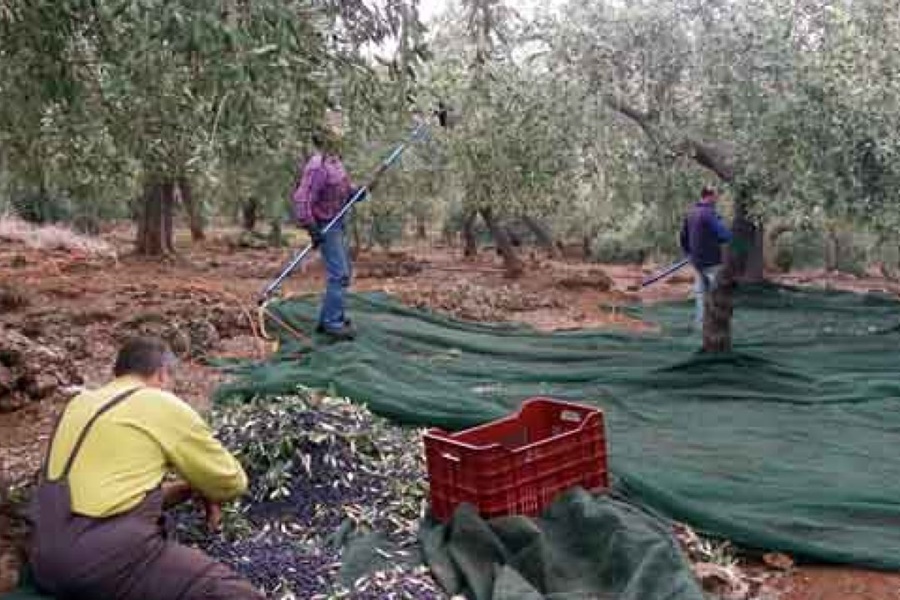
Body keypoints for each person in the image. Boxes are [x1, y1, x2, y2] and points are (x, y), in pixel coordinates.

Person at [28, 337, 263, 600]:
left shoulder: (78, 404)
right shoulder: (159, 403)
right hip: (103, 563)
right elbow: (230, 482)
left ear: (116, 374)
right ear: (162, 374)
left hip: (44, 557)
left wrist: (186, 490)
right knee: (233, 593)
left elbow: (108, 497)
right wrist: (207, 485)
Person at [293, 128, 367, 341]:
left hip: (338, 222)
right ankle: (331, 323)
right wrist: (311, 227)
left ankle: (333, 317)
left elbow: (342, 190)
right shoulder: (317, 167)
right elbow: (302, 198)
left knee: (345, 271)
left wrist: (356, 192)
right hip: (326, 225)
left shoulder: (335, 162)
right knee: (339, 273)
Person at [680, 186, 733, 324]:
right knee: (717, 295)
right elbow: (725, 235)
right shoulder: (709, 213)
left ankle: (700, 325)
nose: (717, 199)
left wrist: (688, 254)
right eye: (716, 196)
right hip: (712, 262)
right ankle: (716, 326)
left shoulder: (690, 213)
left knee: (701, 296)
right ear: (709, 196)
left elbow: (683, 237)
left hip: (697, 262)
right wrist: (725, 232)